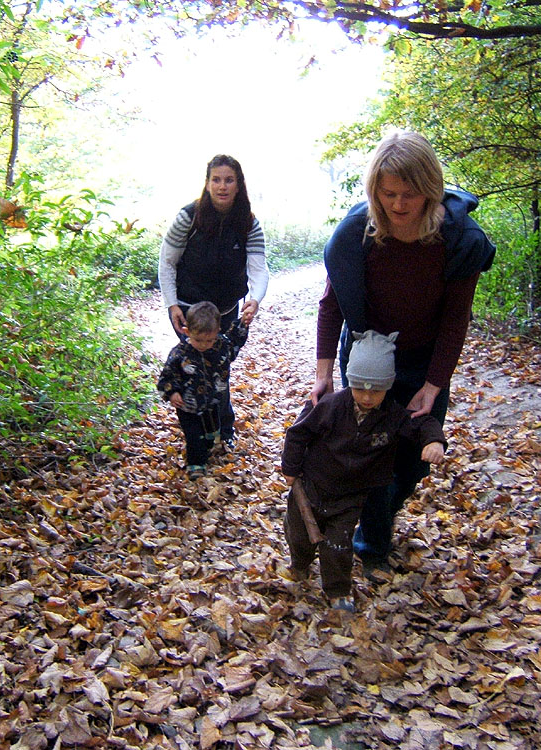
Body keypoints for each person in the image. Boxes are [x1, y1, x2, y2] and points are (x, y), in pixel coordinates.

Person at [312, 129, 495, 577]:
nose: (397, 204)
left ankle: (377, 508)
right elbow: (331, 304)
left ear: (430, 189)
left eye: (409, 194)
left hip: (424, 358)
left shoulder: (459, 241)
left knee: (415, 459)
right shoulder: (355, 235)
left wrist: (433, 385)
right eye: (387, 193)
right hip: (367, 357)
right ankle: (372, 544)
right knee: (374, 451)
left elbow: (456, 317)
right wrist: (323, 374)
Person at [281, 330, 446, 612]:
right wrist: (291, 468)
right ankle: (300, 565)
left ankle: (337, 590)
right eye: (360, 389)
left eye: (376, 391)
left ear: (388, 387)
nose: (367, 397)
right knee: (298, 534)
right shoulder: (331, 406)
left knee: (338, 545)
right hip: (311, 488)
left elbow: (420, 423)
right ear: (351, 382)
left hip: (350, 497)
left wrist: (434, 440)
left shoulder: (391, 416)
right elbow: (298, 434)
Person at [157, 154, 268, 448]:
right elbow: (167, 262)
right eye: (216, 180)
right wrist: (171, 304)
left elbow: (258, 267)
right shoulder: (188, 217)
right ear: (207, 184)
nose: (222, 186)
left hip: (227, 309)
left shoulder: (248, 223)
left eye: (229, 180)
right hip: (188, 309)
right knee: (194, 368)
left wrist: (255, 299)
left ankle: (223, 429)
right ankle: (198, 433)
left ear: (238, 184)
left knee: (219, 367)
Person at [157, 301, 249, 479]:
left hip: (212, 401)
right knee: (194, 435)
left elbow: (235, 341)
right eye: (198, 340)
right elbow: (167, 375)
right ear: (187, 332)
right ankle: (196, 464)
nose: (204, 345)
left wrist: (243, 323)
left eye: (209, 340)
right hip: (188, 405)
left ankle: (207, 446)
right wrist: (172, 392)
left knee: (210, 434)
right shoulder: (180, 353)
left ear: (217, 333)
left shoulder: (220, 346)